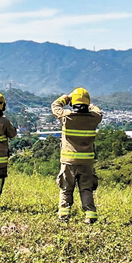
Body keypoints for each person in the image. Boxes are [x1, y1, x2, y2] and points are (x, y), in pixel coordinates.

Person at [51, 87, 103, 224]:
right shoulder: (94, 118)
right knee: (86, 189)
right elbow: (98, 111)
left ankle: (64, 216)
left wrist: (66, 98)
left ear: (73, 103)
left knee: (66, 189)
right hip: (87, 162)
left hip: (69, 161)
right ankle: (90, 214)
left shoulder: (67, 117)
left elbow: (55, 106)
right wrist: (91, 105)